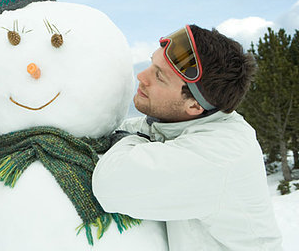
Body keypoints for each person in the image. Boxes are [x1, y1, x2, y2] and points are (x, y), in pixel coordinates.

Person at [92, 24, 283, 250]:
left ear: (193, 105)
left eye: (159, 76)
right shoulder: (184, 122)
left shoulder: (220, 153)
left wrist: (128, 140)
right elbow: (138, 128)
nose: (141, 76)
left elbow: (110, 186)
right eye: (152, 63)